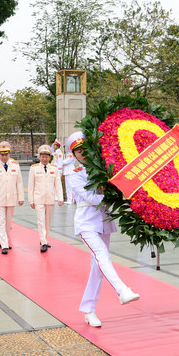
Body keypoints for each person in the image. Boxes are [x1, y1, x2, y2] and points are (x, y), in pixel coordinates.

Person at [65, 131, 139, 328]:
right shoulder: (72, 173)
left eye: (84, 149)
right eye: (78, 151)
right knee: (102, 255)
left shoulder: (104, 167)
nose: (83, 153)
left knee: (98, 267)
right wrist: (115, 195)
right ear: (73, 154)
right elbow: (92, 198)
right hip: (87, 222)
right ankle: (122, 290)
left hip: (104, 221)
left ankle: (88, 309)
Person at [0, 141, 24, 254]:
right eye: (2, 154)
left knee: (8, 222)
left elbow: (19, 183)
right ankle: (4, 244)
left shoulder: (15, 166)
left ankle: (5, 240)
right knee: (1, 222)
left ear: (9, 154)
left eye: (6, 154)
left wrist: (21, 197)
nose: (4, 157)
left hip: (11, 198)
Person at [27, 144, 63, 252]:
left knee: (48, 221)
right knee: (41, 221)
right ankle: (43, 242)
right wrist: (31, 200)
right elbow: (30, 185)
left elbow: (58, 184)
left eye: (46, 156)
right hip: (38, 198)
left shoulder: (54, 168)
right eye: (42, 156)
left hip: (50, 198)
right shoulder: (34, 169)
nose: (44, 159)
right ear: (39, 157)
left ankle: (45, 238)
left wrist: (60, 198)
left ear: (50, 157)